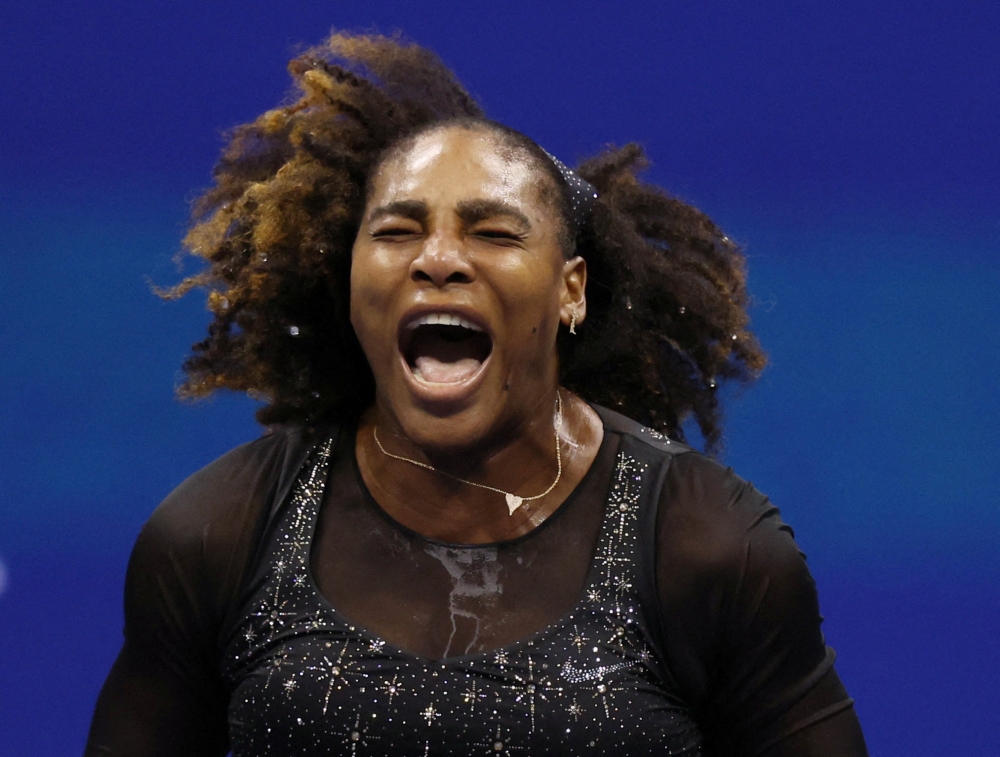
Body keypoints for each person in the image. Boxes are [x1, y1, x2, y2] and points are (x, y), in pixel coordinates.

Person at [85, 32, 868, 756]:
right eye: (396, 231)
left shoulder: (711, 552)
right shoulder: (216, 538)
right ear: (350, 280)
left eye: (493, 232)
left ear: (572, 291)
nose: (438, 259)